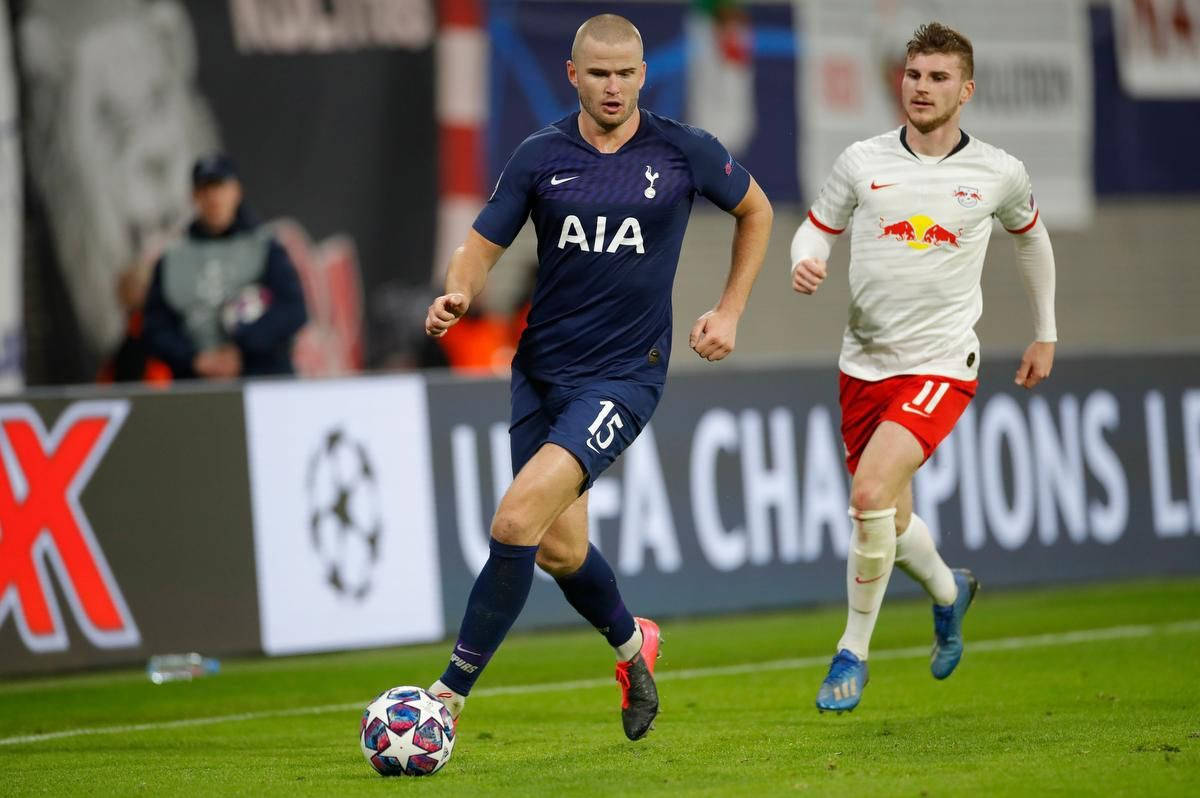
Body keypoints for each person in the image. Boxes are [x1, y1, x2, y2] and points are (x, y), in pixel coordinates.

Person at [424, 13, 772, 741]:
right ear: (573, 75)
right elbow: (481, 245)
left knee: (515, 521)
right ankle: (631, 644)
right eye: (600, 74)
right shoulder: (539, 155)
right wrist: (458, 291)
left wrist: (730, 310)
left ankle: (443, 702)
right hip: (542, 372)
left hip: (623, 376)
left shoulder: (682, 151)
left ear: (644, 76)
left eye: (627, 73)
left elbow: (757, 210)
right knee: (558, 549)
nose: (614, 87)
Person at [789, 22, 1056, 713]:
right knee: (892, 518)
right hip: (863, 365)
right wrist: (805, 257)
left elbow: (1032, 241)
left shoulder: (996, 172)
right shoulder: (861, 160)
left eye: (939, 78)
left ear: (965, 90)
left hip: (942, 361)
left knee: (868, 495)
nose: (922, 88)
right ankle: (948, 590)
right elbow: (817, 224)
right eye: (914, 75)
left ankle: (853, 652)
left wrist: (1045, 333)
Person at [143, 154, 307, 380]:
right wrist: (195, 359)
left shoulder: (265, 247)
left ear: (236, 191)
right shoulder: (172, 258)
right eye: (205, 189)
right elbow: (155, 327)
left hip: (262, 377)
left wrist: (243, 348)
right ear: (194, 196)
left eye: (220, 186)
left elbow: (293, 310)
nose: (213, 197)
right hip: (196, 384)